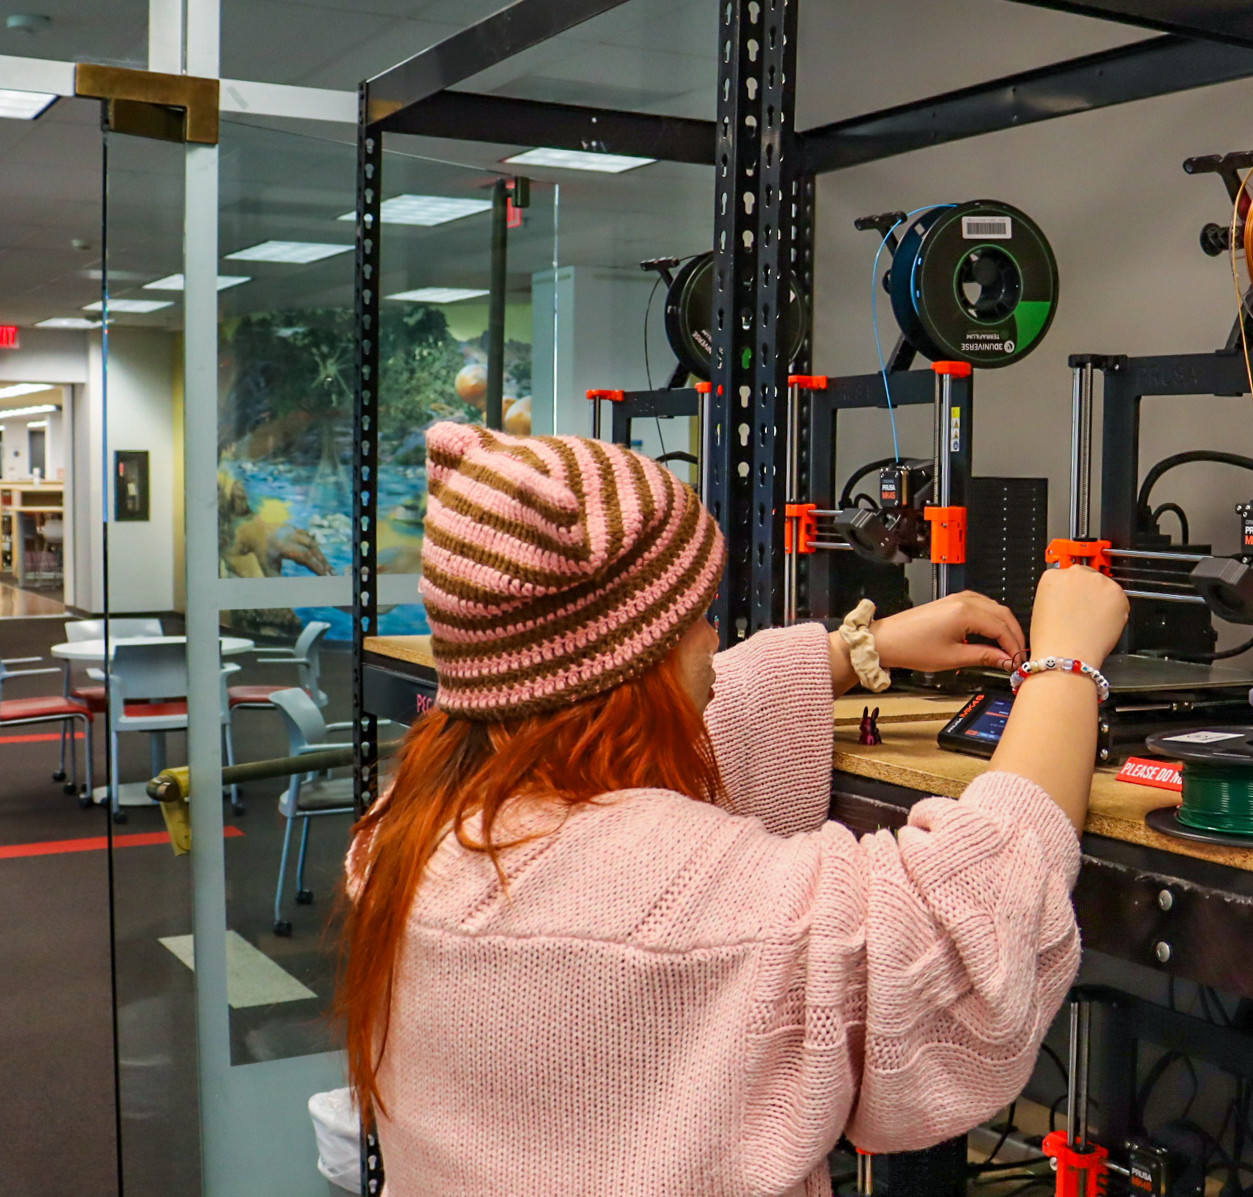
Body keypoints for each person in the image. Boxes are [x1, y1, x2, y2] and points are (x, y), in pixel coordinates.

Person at [337, 423, 1129, 1194]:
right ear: (635, 665)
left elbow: (704, 716)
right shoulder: (713, 918)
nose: (714, 642)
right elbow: (969, 920)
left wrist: (865, 645)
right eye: (698, 619)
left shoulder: (403, 835)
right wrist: (1063, 666)